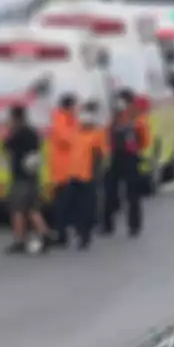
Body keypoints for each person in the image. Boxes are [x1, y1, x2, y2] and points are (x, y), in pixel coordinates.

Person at [1, 104, 51, 254]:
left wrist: (9, 131)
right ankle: (44, 234)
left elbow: (6, 146)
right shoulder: (33, 132)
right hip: (33, 176)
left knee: (17, 209)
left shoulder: (18, 133)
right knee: (32, 208)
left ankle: (19, 240)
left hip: (20, 176)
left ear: (15, 117)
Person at [102, 91, 149, 238]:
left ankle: (134, 226)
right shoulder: (112, 120)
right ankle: (107, 225)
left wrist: (136, 152)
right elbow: (105, 137)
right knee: (109, 192)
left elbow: (144, 141)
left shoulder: (137, 120)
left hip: (130, 158)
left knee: (132, 194)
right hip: (114, 158)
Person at [64, 101, 108, 250]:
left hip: (87, 177)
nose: (84, 124)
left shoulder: (96, 135)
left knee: (86, 207)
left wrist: (95, 175)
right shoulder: (76, 133)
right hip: (73, 175)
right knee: (73, 206)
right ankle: (78, 230)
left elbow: (99, 157)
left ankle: (85, 235)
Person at [48, 94, 80, 246]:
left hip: (68, 170)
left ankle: (63, 233)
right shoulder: (61, 120)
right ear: (68, 107)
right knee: (61, 205)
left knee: (65, 204)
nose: (77, 110)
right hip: (62, 171)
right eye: (75, 106)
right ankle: (61, 235)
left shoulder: (68, 120)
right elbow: (68, 139)